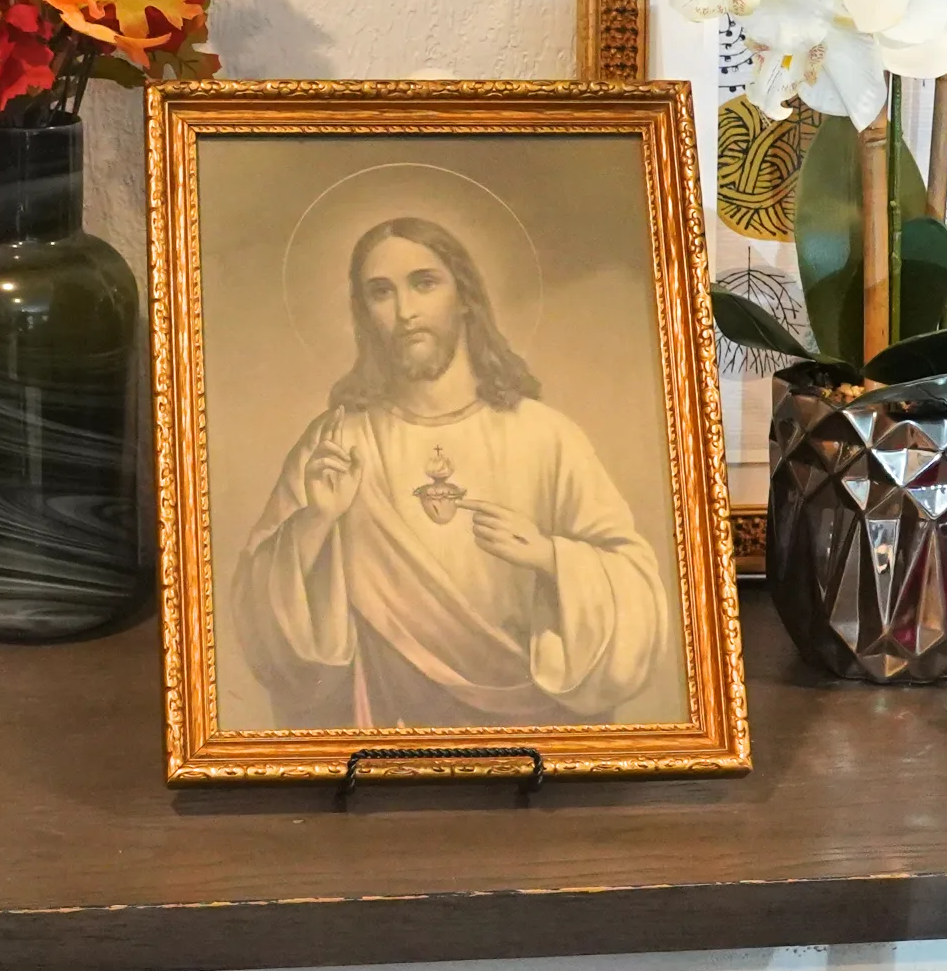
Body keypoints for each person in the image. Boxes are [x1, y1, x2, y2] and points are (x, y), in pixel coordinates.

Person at [232, 216, 673, 729]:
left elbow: (635, 588)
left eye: (424, 283)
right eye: (381, 292)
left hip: (533, 735)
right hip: (383, 731)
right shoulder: (337, 441)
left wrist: (551, 556)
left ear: (464, 296)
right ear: (363, 312)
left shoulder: (546, 437)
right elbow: (257, 621)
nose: (405, 312)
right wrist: (314, 522)